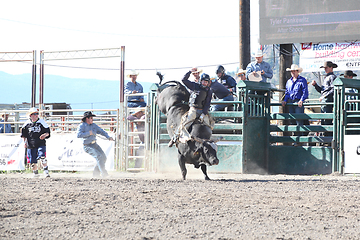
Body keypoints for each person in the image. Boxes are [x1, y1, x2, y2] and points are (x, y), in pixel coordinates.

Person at [168, 71, 213, 147]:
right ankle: (174, 138)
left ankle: (208, 142)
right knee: (185, 123)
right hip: (193, 109)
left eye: (206, 82)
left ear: (208, 82)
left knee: (209, 125)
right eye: (203, 81)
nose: (205, 83)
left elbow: (207, 103)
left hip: (202, 111)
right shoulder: (195, 86)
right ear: (201, 81)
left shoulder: (209, 91)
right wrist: (189, 72)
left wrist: (204, 113)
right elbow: (184, 80)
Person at [77, 111, 114, 178]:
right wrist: (89, 133)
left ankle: (96, 174)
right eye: (91, 117)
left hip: (94, 144)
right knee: (99, 156)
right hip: (87, 145)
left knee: (103, 158)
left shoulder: (94, 125)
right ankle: (104, 174)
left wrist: (108, 137)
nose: (92, 119)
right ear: (87, 119)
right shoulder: (82, 126)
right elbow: (78, 135)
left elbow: (101, 131)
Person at [21, 107, 51, 177]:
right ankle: (35, 173)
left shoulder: (42, 122)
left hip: (40, 142)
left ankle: (46, 171)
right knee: (32, 161)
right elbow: (23, 135)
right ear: (30, 115)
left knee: (42, 157)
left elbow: (48, 132)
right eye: (34, 114)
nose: (36, 115)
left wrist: (45, 135)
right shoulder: (26, 124)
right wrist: (24, 142)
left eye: (37, 114)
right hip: (30, 144)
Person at [282, 64, 309, 142]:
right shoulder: (289, 81)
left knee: (298, 120)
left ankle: (299, 138)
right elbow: (287, 93)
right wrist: (285, 100)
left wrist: (301, 100)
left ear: (298, 71)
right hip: (291, 102)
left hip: (298, 102)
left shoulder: (302, 80)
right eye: (292, 71)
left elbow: (305, 92)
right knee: (292, 120)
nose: (293, 72)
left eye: (294, 71)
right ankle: (295, 138)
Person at [311, 61, 337, 135]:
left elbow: (333, 89)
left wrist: (324, 96)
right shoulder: (327, 77)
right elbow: (322, 91)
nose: (325, 69)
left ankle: (327, 137)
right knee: (324, 119)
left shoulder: (332, 77)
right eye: (325, 68)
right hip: (325, 101)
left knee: (326, 119)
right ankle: (325, 136)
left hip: (327, 101)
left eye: (326, 68)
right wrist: (315, 85)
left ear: (331, 68)